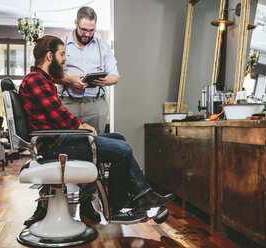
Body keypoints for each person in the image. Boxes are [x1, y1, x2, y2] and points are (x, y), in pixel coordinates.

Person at [19, 35, 174, 226]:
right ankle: (118, 208)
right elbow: (57, 114)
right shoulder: (36, 80)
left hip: (57, 139)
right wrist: (80, 126)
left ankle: (143, 195)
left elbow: (55, 115)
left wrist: (78, 128)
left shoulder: (43, 79)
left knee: (119, 138)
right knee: (122, 151)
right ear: (50, 56)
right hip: (52, 145)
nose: (65, 58)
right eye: (62, 54)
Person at [56, 6, 119, 134]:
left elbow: (115, 76)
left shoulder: (103, 46)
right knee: (68, 145)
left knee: (97, 145)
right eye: (84, 30)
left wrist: (104, 81)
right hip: (67, 104)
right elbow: (51, 76)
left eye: (91, 30)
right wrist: (70, 80)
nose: (87, 34)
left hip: (96, 105)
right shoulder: (60, 44)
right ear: (76, 23)